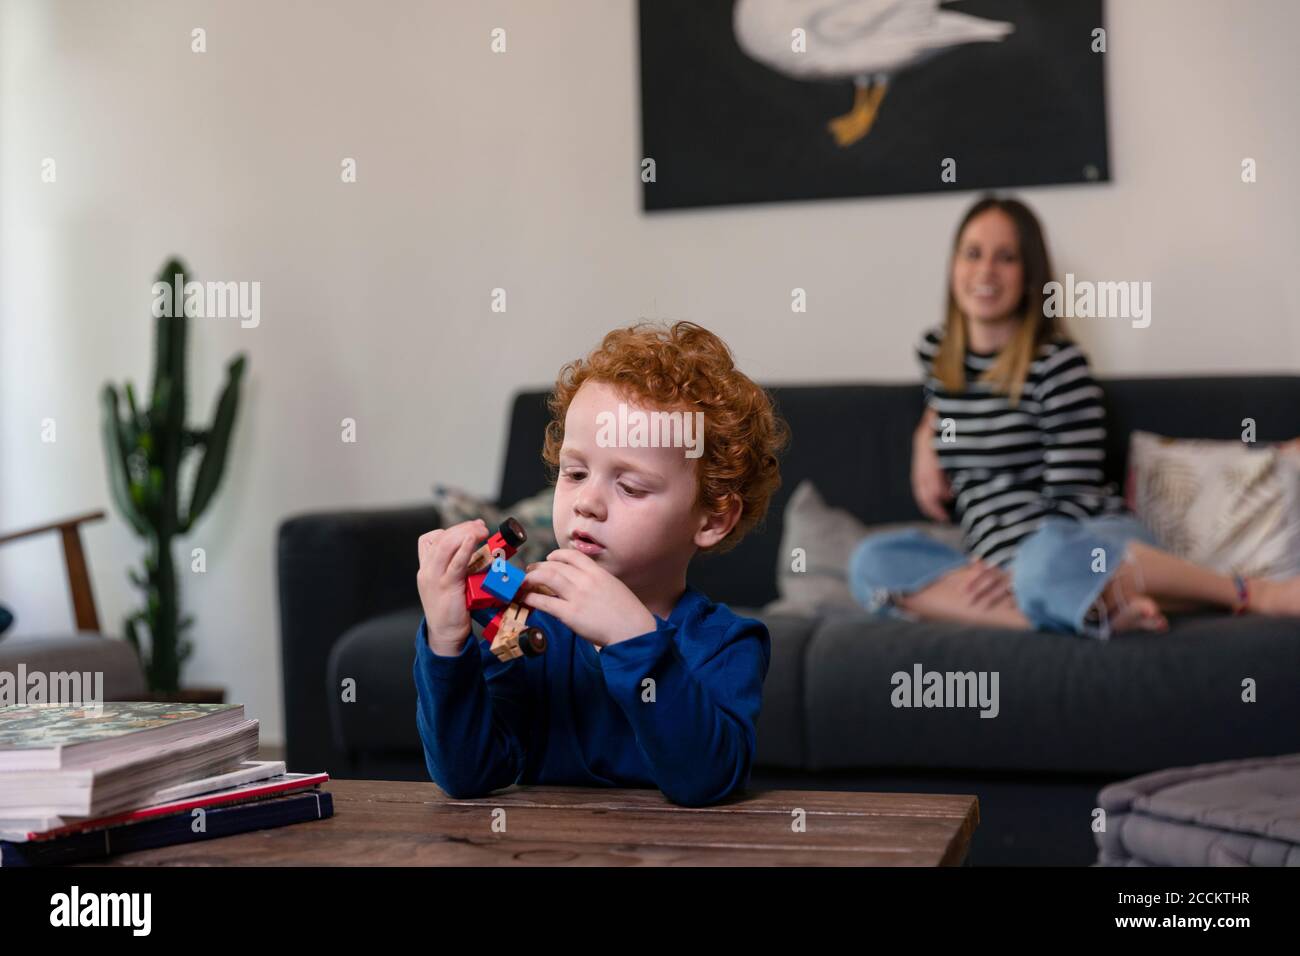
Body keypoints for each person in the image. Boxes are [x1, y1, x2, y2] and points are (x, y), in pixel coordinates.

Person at [848, 195, 1300, 638]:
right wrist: (923, 439)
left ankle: (1249, 593)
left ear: (1029, 275)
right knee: (871, 561)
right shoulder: (935, 356)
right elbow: (946, 403)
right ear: (954, 267)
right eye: (973, 254)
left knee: (1042, 565)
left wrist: (1020, 570)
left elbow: (1072, 498)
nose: (985, 271)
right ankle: (1054, 613)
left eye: (1005, 257)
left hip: (1076, 542)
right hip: (987, 562)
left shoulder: (1057, 365)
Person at [413, 321, 790, 806]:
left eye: (630, 486)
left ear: (713, 518)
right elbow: (467, 775)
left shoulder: (727, 644)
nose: (586, 502)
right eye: (574, 473)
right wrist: (446, 642)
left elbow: (705, 780)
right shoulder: (522, 622)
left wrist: (633, 639)